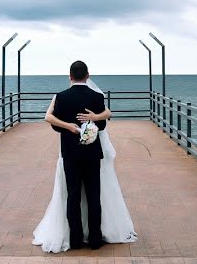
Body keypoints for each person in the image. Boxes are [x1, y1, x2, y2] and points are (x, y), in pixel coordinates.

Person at [33, 60, 138, 252]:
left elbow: (52, 122)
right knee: (93, 196)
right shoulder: (97, 97)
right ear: (87, 75)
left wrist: (68, 126)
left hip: (70, 154)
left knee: (72, 196)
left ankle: (75, 241)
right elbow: (103, 125)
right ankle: (95, 240)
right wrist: (94, 118)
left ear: (70, 76)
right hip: (91, 154)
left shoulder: (61, 97)